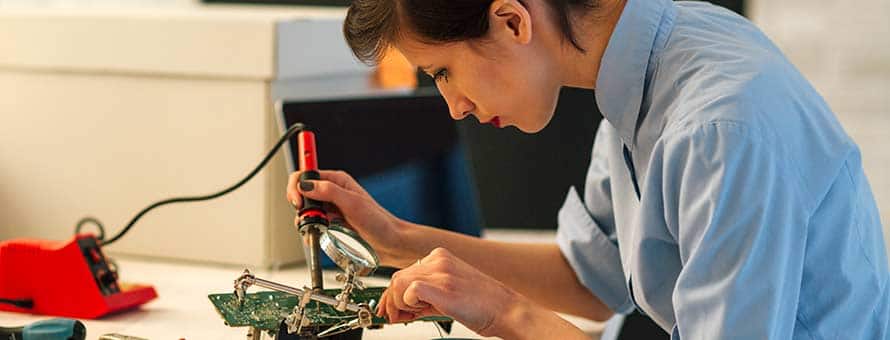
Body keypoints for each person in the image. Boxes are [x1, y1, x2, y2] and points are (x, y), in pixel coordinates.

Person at [287, 0, 890, 338]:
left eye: (443, 72)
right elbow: (592, 280)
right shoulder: (649, 64)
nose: (455, 106)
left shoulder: (715, 128)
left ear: (512, 20)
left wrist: (504, 312)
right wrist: (399, 240)